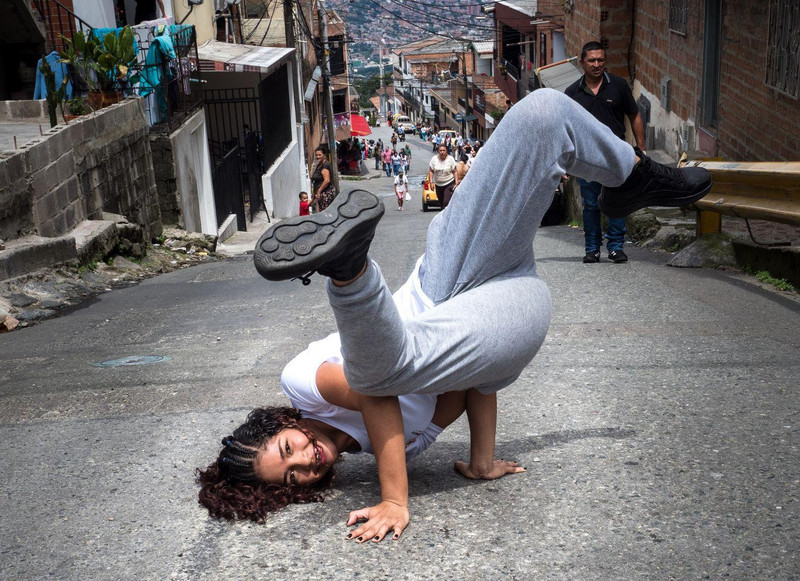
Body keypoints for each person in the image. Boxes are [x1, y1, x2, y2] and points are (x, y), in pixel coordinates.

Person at [198, 88, 712, 543]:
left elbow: (374, 393)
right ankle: (350, 270)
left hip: (442, 276)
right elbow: (469, 381)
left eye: (288, 448)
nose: (304, 461)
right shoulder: (405, 448)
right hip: (504, 302)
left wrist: (394, 498)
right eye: (292, 477)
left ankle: (633, 173)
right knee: (490, 345)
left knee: (543, 115)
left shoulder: (302, 385)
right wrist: (482, 459)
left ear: (282, 423)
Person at [565, 41, 646, 264]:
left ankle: (616, 247)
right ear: (582, 62)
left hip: (615, 155)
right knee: (591, 204)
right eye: (591, 60)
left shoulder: (618, 86)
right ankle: (592, 249)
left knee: (617, 201)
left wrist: (640, 148)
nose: (596, 64)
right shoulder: (572, 93)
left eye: (600, 60)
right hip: (587, 158)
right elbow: (565, 128)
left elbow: (634, 114)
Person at [427, 143, 458, 210]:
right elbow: (431, 171)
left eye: (444, 150)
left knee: (446, 202)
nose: (442, 152)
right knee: (441, 203)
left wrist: (456, 183)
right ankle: (444, 215)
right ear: (438, 151)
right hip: (438, 184)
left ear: (446, 151)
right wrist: (431, 182)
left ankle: (446, 215)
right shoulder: (434, 159)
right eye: (440, 150)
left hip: (449, 183)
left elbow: (455, 171)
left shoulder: (450, 159)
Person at [310, 147, 336, 212]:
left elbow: (327, 181)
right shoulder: (320, 164)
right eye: (316, 155)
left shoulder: (325, 165)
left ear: (324, 155)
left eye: (319, 155)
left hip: (325, 193)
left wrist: (319, 191)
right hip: (320, 193)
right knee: (320, 212)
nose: (318, 157)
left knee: (325, 213)